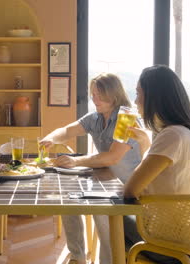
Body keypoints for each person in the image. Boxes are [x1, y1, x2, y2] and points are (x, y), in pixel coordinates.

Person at [40, 73, 147, 264]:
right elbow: (67, 131)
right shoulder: (96, 118)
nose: (95, 100)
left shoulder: (126, 119)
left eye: (100, 95)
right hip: (109, 182)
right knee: (68, 196)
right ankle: (77, 257)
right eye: (93, 95)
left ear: (114, 94)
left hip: (131, 189)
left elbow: (112, 157)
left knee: (100, 207)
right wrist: (50, 138)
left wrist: (76, 161)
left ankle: (109, 260)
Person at [123, 65, 190, 264]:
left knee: (112, 216)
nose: (135, 101)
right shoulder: (188, 133)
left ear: (154, 97)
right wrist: (145, 144)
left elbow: (131, 190)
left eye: (138, 93)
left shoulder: (172, 135)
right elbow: (161, 176)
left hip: (180, 247)